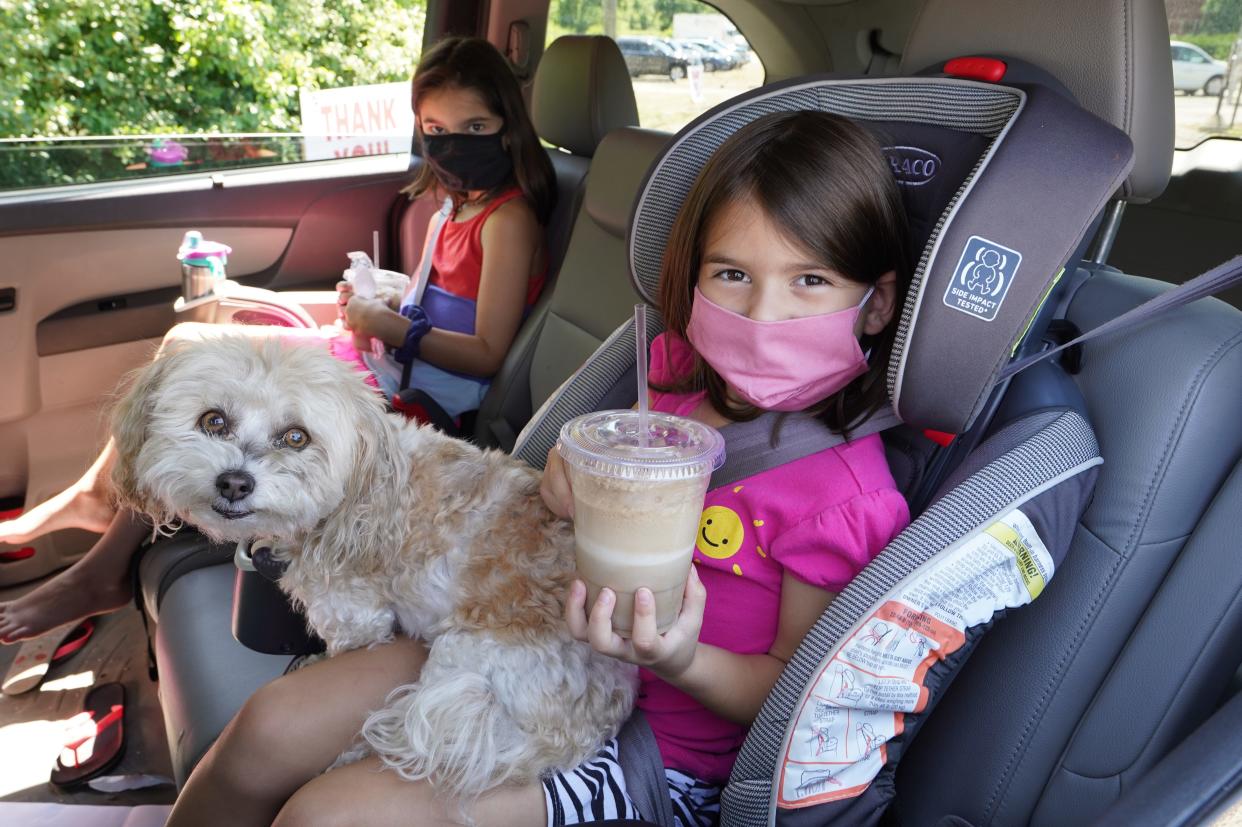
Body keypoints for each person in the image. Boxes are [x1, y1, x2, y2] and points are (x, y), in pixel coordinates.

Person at [155, 109, 915, 827]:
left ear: (875, 304)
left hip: (657, 757)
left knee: (326, 816)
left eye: (809, 280)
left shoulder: (842, 499)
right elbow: (570, 469)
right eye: (731, 275)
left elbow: (791, 693)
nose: (760, 315)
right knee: (266, 728)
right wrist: (564, 468)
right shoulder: (673, 374)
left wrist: (678, 657)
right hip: (527, 638)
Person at [0, 35, 555, 645]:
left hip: (432, 404)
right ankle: (101, 500)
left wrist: (386, 326)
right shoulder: (455, 207)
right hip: (396, 362)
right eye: (434, 128)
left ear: (508, 125)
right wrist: (385, 304)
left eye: (474, 126)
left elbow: (488, 352)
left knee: (190, 348)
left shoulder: (507, 219)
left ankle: (100, 558)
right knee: (189, 340)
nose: (452, 145)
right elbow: (447, 305)